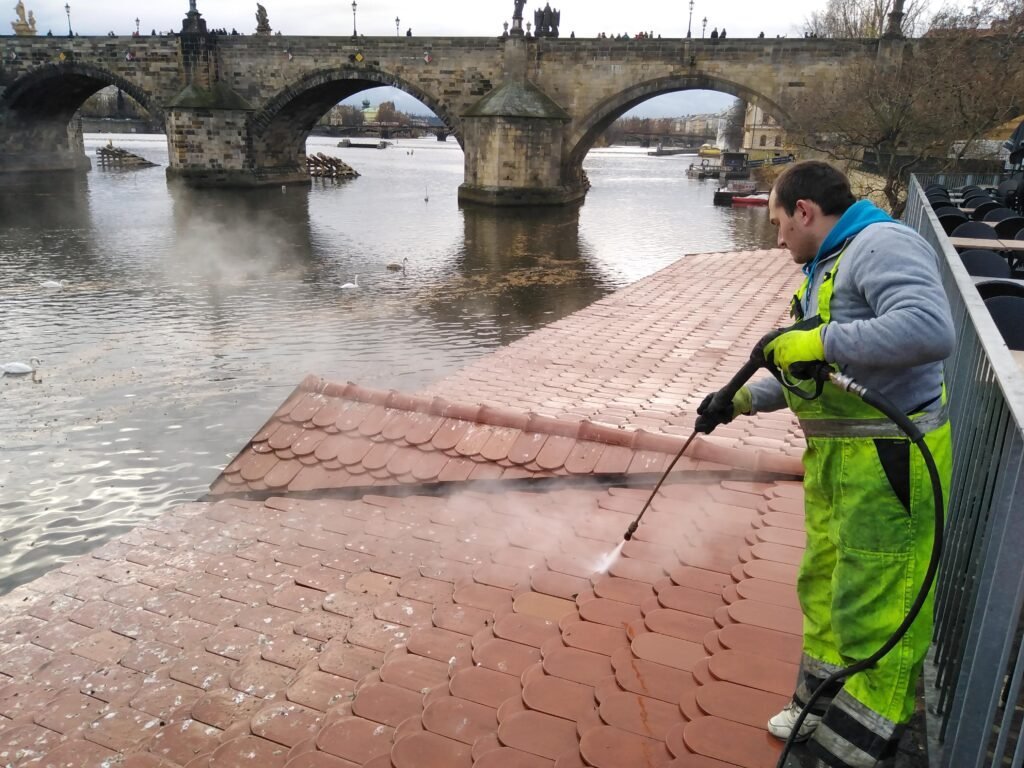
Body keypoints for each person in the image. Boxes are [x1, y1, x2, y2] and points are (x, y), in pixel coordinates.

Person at [695, 161, 954, 768]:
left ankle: (854, 748)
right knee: (826, 587)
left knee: (877, 604)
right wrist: (742, 399)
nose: (777, 238)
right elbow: (819, 374)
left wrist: (818, 340)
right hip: (840, 463)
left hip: (890, 460)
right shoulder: (825, 266)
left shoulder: (881, 245)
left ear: (805, 211)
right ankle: (818, 706)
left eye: (778, 223)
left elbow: (929, 329)